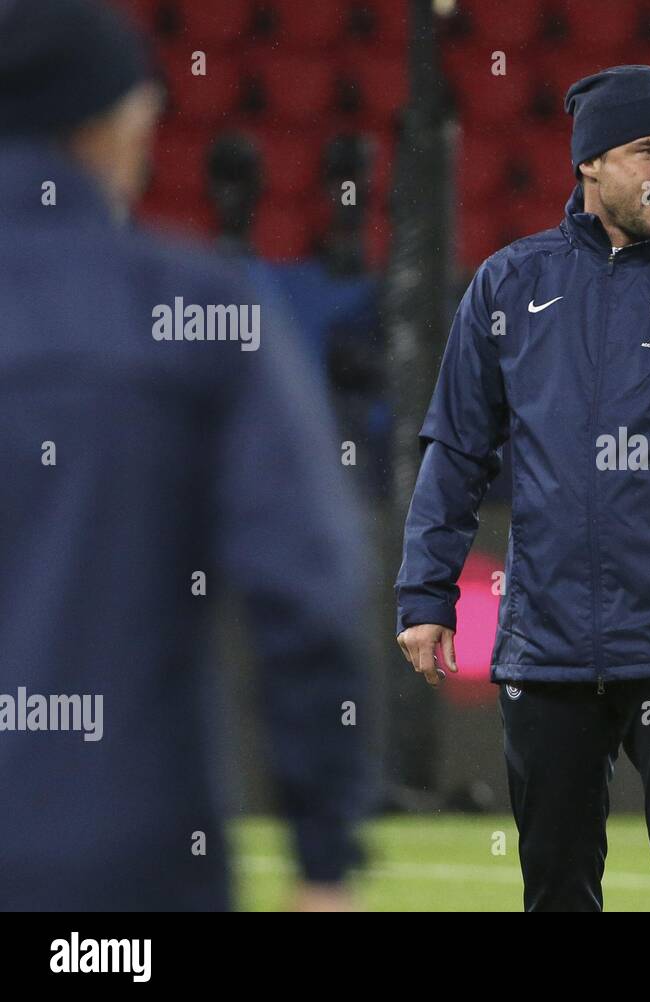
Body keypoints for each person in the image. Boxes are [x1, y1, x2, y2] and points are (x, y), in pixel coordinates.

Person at [395, 65, 650, 912]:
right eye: (647, 149)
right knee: (555, 887)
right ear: (590, 164)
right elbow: (456, 449)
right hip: (547, 645)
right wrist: (424, 591)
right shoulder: (509, 286)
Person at [0, 0, 372, 911]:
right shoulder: (196, 312)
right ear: (109, 123)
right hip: (122, 863)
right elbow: (308, 590)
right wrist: (323, 853)